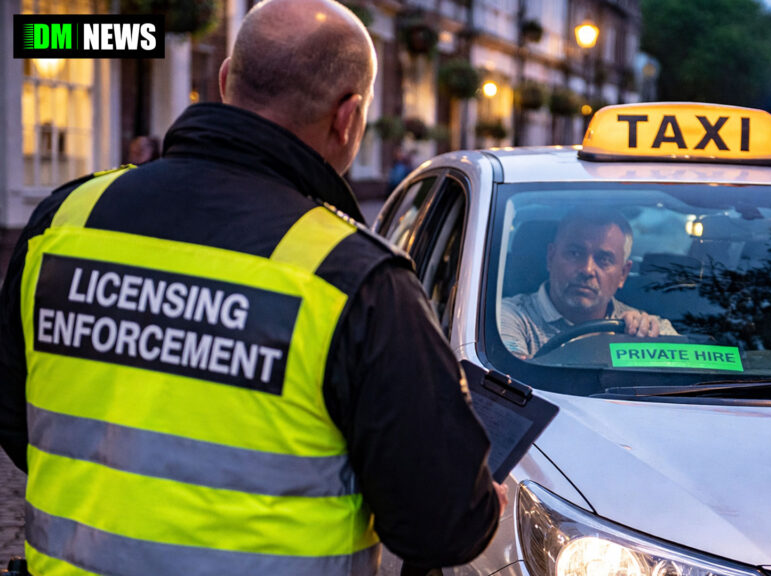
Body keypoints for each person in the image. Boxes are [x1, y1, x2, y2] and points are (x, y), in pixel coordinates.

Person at [0, 0, 505, 574]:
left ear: (224, 81)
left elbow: (19, 422)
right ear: (350, 115)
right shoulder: (353, 279)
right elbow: (439, 526)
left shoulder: (65, 220)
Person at [501, 208, 677, 358]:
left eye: (604, 259)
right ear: (551, 257)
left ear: (623, 274)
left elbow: (691, 382)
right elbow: (508, 383)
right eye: (575, 253)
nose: (587, 270)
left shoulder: (650, 328)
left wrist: (641, 342)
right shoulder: (506, 317)